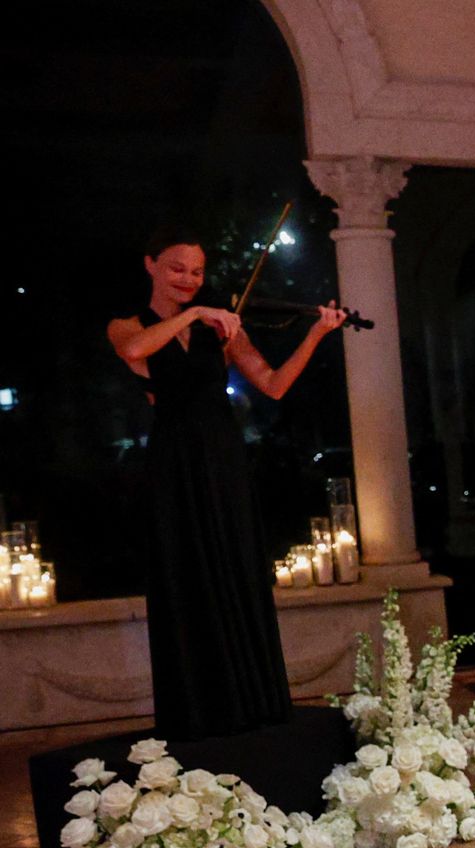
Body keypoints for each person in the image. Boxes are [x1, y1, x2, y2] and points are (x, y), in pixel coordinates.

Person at [106, 225, 351, 740]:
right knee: (185, 573)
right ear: (150, 264)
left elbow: (273, 385)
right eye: (177, 268)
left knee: (237, 567)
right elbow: (135, 352)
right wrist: (195, 312)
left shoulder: (223, 330)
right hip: (175, 462)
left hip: (223, 459)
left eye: (197, 272)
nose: (189, 279)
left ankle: (252, 702)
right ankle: (198, 711)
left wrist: (316, 334)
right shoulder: (126, 324)